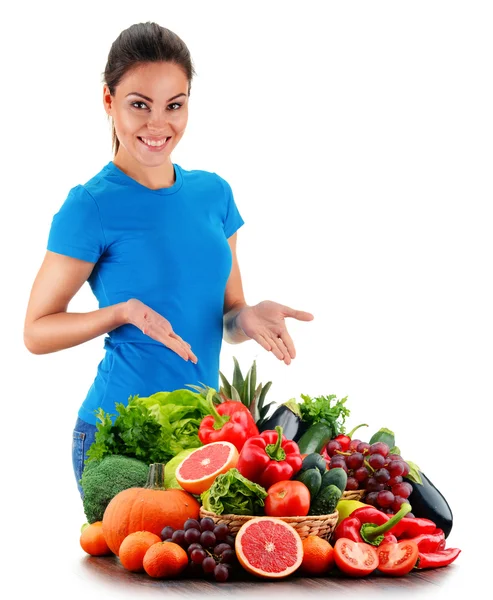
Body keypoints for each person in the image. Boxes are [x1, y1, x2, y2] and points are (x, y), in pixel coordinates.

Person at [23, 22, 314, 498]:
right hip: (116, 438)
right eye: (139, 104)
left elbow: (225, 319)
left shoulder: (214, 194)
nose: (158, 125)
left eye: (174, 106)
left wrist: (249, 316)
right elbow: (35, 331)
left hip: (204, 437)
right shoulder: (89, 206)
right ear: (108, 101)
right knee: (144, 566)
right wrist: (120, 312)